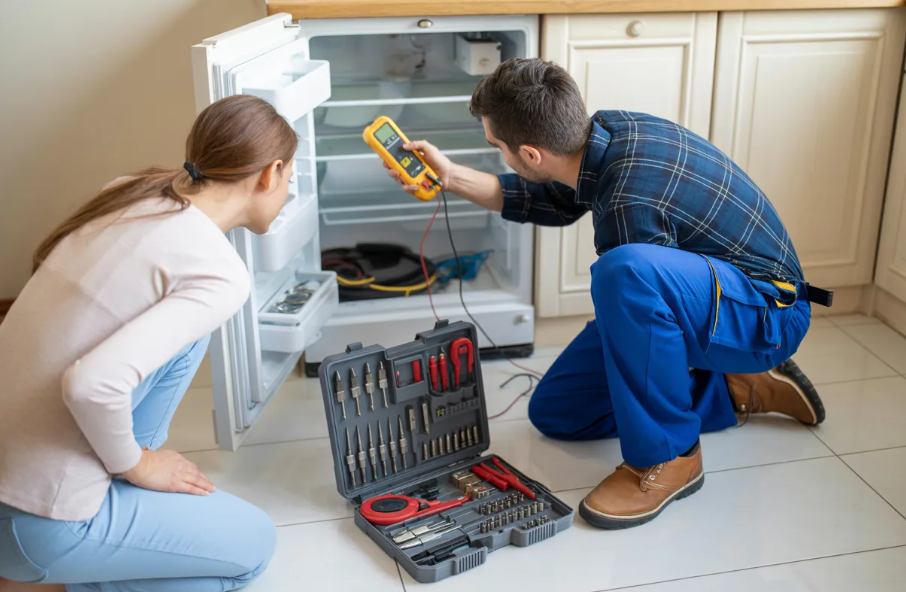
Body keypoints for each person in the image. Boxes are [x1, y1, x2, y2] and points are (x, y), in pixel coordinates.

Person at [387, 58, 828, 530]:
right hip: (717, 292)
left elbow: (646, 304)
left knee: (624, 274)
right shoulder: (607, 135)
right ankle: (733, 388)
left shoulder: (628, 206)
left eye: (498, 146)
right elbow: (554, 197)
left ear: (530, 154)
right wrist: (451, 176)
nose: (499, 153)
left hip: (766, 313)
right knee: (558, 411)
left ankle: (670, 458)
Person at [0, 95, 296, 591]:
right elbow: (91, 383)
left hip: (12, 479)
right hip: (38, 521)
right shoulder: (218, 271)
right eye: (290, 179)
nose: (287, 191)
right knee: (251, 548)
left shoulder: (133, 195)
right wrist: (139, 465)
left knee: (187, 338)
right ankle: (58, 576)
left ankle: (88, 540)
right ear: (271, 173)